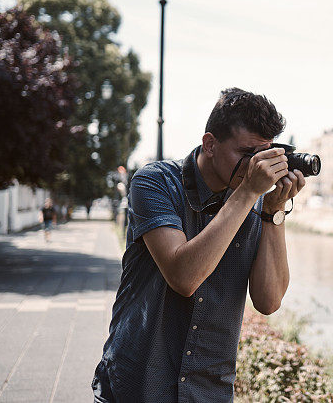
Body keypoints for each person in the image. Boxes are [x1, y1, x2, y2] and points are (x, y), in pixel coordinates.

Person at [92, 88, 305, 403]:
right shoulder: (155, 182)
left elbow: (269, 301)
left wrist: (273, 212)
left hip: (208, 390)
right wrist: (248, 193)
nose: (254, 166)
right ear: (210, 144)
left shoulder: (255, 201)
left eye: (263, 154)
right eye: (247, 154)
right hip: (137, 385)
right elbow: (184, 277)